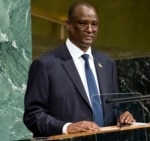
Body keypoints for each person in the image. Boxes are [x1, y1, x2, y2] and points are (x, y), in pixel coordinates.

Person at [23, 1, 135, 137]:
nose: (90, 29)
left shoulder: (107, 64)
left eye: (94, 24)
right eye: (83, 23)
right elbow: (33, 115)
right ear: (69, 25)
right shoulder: (45, 65)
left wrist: (122, 117)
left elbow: (113, 108)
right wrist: (67, 127)